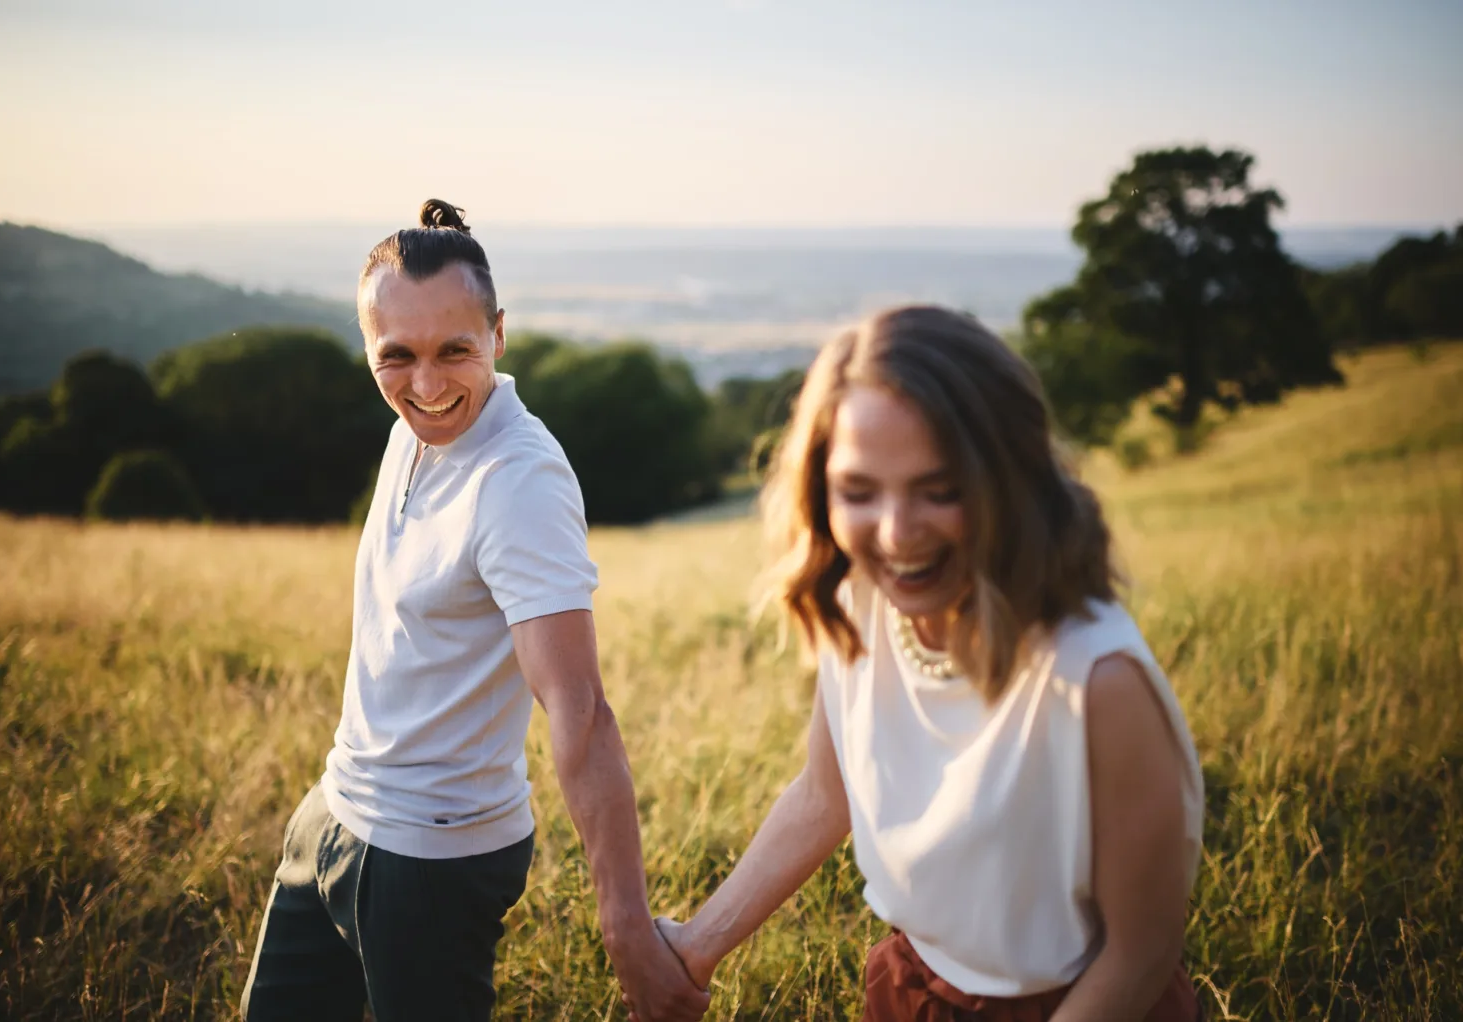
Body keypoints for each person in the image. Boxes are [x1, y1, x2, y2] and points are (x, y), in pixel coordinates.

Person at [644, 306, 1205, 1021]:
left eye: (939, 490)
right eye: (859, 492)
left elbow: (1141, 955)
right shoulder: (858, 601)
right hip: (913, 993)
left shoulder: (1097, 681)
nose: (898, 534)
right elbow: (825, 794)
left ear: (1008, 479)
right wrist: (694, 946)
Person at [240, 200, 709, 1022]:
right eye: (397, 357)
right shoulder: (413, 427)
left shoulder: (518, 482)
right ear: (369, 349)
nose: (426, 387)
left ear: (498, 332)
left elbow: (580, 709)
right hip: (334, 811)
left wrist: (627, 926)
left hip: (430, 856)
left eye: (454, 351)